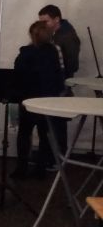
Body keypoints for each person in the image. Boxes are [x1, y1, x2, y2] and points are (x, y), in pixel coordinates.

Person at [12, 21, 66, 178]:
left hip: (27, 99)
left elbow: (17, 75)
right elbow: (58, 76)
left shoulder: (25, 53)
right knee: (45, 135)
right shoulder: (53, 52)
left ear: (31, 35)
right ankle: (40, 169)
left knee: (24, 133)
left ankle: (21, 168)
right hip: (47, 100)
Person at [38, 4, 80, 80]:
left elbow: (72, 65)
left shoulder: (68, 36)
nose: (42, 25)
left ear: (57, 19)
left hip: (61, 79)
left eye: (45, 21)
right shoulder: (52, 33)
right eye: (41, 22)